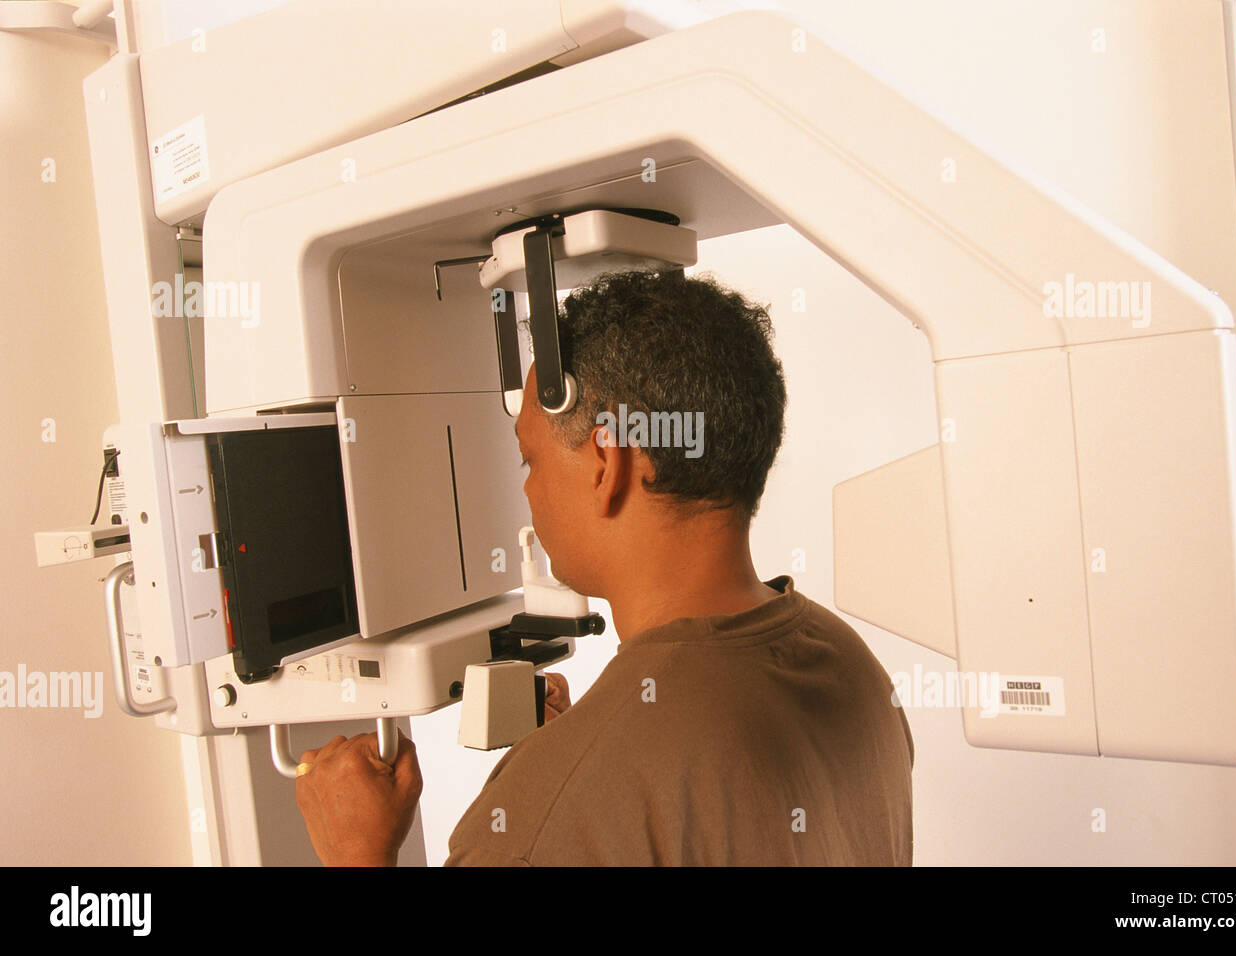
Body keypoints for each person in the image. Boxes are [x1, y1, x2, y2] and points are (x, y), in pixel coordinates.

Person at [294, 270, 914, 866]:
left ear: (606, 465)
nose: (530, 493)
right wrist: (585, 753)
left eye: (528, 461)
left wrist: (359, 853)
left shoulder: (540, 823)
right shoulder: (854, 669)